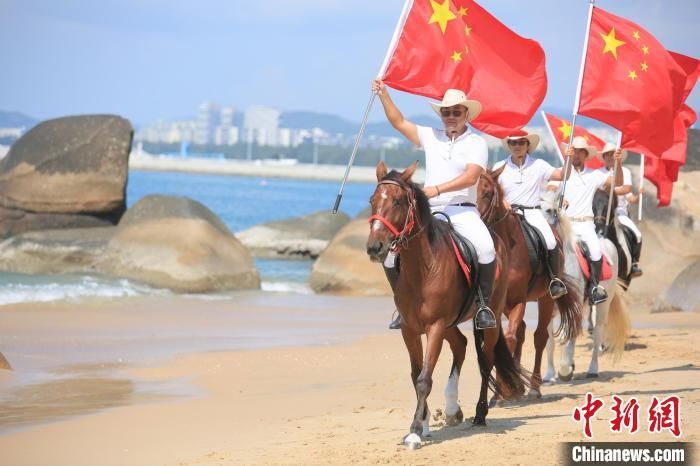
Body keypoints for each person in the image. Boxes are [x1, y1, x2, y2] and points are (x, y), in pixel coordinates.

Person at [372, 79, 497, 330]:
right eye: (446, 112)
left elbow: (472, 177)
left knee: (485, 249)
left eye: (456, 112)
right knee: (390, 258)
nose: (450, 116)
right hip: (429, 212)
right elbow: (398, 122)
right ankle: (403, 306)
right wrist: (383, 94)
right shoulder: (431, 136)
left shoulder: (477, 142)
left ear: (466, 114)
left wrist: (436, 189)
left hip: (462, 211)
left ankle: (483, 306)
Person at [492, 132, 571, 299]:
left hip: (532, 211)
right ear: (509, 145)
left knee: (550, 240)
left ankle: (554, 280)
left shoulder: (539, 165)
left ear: (527, 145)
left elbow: (562, 175)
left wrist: (568, 159)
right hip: (507, 213)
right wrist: (503, 202)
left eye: (521, 142)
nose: (517, 146)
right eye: (513, 143)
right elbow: (493, 191)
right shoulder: (499, 166)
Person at [561, 136, 624, 304]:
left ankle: (594, 287)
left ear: (585, 155)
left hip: (585, 224)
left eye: (580, 152)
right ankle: (550, 283)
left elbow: (618, 182)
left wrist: (619, 164)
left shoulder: (594, 175)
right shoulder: (563, 174)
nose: (576, 155)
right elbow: (550, 190)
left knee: (596, 251)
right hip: (565, 224)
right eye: (573, 152)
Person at [596, 143, 643, 277]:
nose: (610, 157)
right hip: (601, 212)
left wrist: (638, 196)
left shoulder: (625, 171)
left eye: (612, 154)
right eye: (607, 154)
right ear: (603, 157)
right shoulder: (598, 173)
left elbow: (627, 189)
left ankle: (634, 263)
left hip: (619, 211)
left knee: (637, 234)